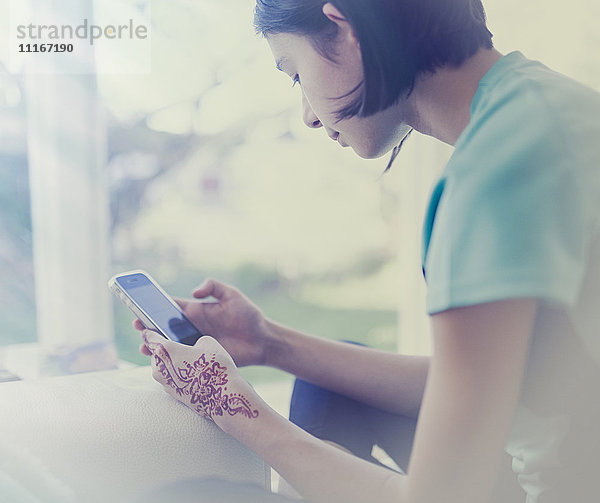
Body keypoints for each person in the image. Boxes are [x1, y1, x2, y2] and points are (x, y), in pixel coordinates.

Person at [135, 1, 600, 502]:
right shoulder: (552, 109)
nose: (309, 115)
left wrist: (232, 407)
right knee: (333, 378)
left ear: (345, 28)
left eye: (294, 74)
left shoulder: (492, 179)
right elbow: (517, 383)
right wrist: (267, 342)